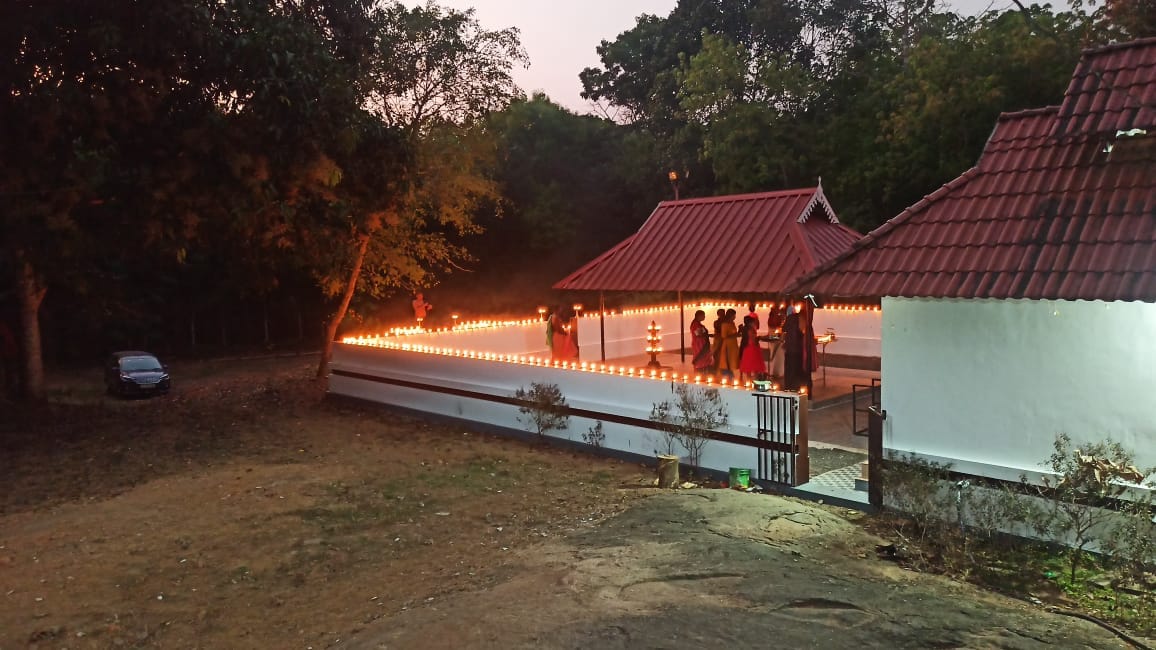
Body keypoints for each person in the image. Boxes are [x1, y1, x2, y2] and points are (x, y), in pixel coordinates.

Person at [738, 314, 766, 382]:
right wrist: (759, 338)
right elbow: (753, 339)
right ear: (750, 322)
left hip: (747, 347)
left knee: (749, 366)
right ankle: (753, 380)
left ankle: (749, 380)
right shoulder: (750, 329)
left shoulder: (745, 328)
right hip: (752, 348)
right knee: (754, 365)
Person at [716, 308, 740, 380]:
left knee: (732, 361)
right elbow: (724, 336)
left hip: (733, 345)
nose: (734, 316)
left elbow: (734, 333)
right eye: (734, 315)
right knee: (727, 361)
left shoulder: (732, 323)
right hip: (727, 345)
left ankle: (730, 375)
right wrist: (735, 335)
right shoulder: (724, 324)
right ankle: (727, 376)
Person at [689, 309, 713, 374]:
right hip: (700, 345)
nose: (704, 317)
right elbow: (699, 334)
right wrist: (709, 335)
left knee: (703, 360)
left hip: (701, 344)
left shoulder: (697, 324)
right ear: (699, 316)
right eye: (703, 315)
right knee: (700, 360)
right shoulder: (696, 325)